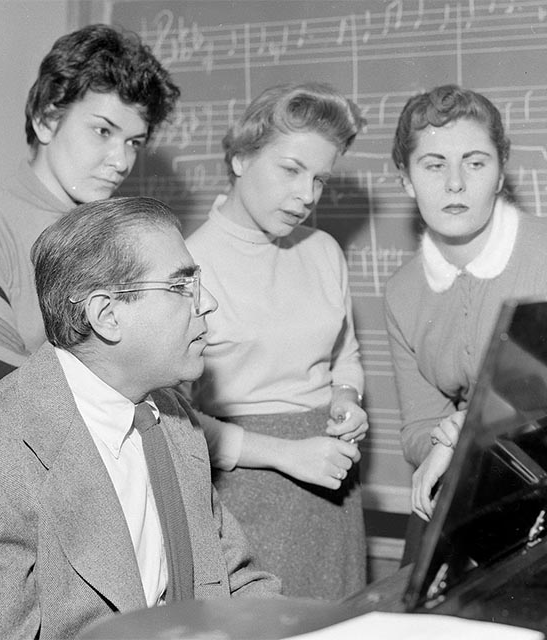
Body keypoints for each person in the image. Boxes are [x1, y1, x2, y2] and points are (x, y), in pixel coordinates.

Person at [0, 197, 280, 640]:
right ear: (106, 316)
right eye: (182, 286)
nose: (209, 303)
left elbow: (237, 582)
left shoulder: (172, 416)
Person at [0, 24, 180, 404]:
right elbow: (18, 398)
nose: (121, 161)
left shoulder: (122, 233)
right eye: (103, 131)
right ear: (46, 120)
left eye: (133, 142)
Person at [185, 83, 368, 600]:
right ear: (242, 157)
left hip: (331, 475)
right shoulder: (186, 266)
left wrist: (346, 400)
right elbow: (170, 419)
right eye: (291, 170)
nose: (306, 195)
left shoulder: (324, 250)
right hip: (242, 486)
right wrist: (287, 455)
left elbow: (343, 358)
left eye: (320, 179)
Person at [383, 85, 547, 538]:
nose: (455, 184)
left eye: (475, 163)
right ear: (406, 179)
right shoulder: (402, 291)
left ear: (499, 174)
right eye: (434, 165)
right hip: (467, 482)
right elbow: (417, 426)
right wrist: (444, 443)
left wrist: (455, 436)